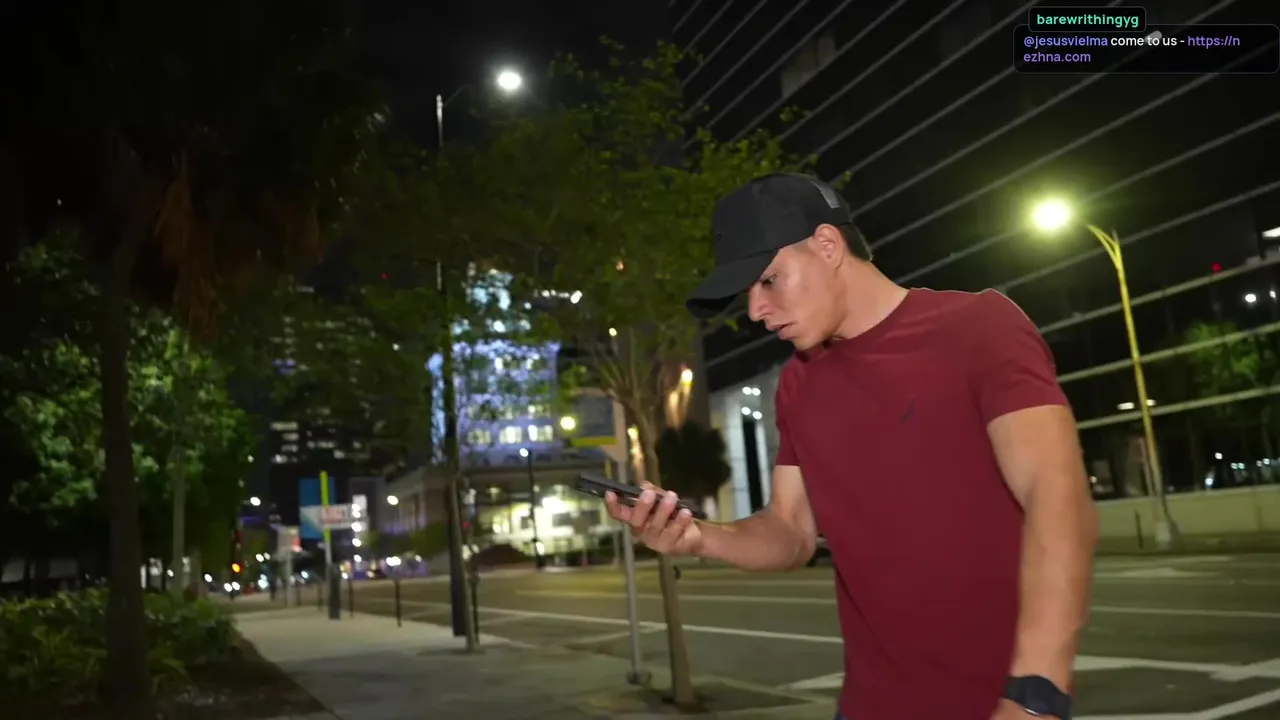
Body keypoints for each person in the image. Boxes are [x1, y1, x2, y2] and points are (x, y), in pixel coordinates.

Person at [604, 173, 1098, 720]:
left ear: (827, 245)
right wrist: (698, 536)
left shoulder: (981, 328)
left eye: (769, 280)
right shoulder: (798, 383)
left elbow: (1056, 494)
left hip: (1000, 705)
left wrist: (1036, 693)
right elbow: (791, 531)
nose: (756, 310)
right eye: (748, 293)